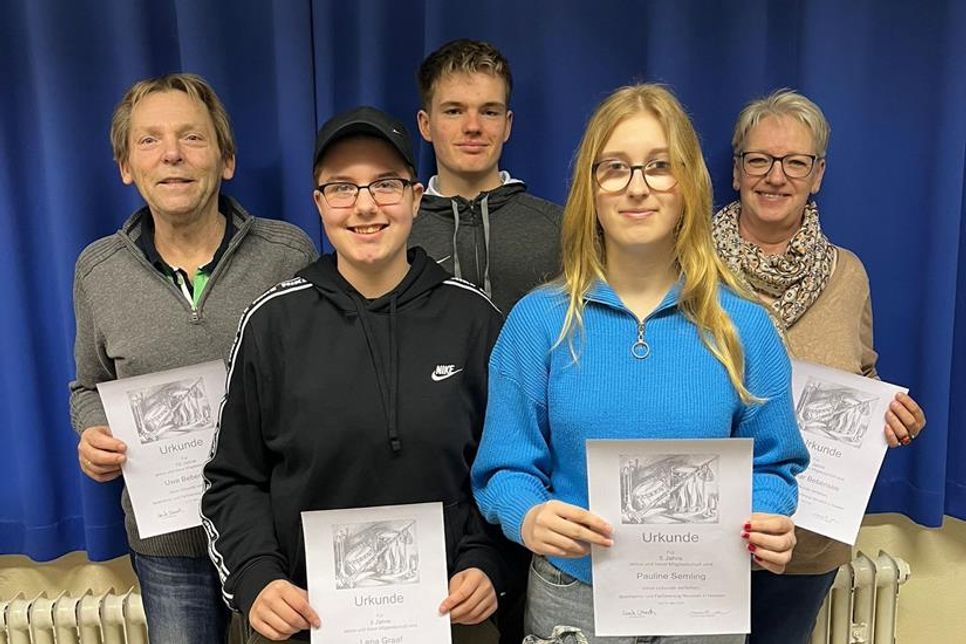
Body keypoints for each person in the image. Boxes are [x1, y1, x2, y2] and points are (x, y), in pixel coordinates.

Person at [471, 83, 811, 644]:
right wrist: (528, 515)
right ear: (591, 188)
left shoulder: (743, 328)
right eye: (615, 168)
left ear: (689, 185)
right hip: (573, 602)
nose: (637, 188)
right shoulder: (539, 322)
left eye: (659, 166)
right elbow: (503, 469)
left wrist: (766, 518)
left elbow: (775, 466)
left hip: (704, 600)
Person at [201, 106, 512, 643]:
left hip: (449, 620)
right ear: (319, 205)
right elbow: (231, 479)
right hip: (306, 623)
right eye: (342, 187)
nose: (365, 205)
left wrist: (487, 562)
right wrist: (256, 579)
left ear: (417, 199)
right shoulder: (272, 323)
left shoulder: (474, 319)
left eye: (386, 184)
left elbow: (509, 467)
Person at [69, 73, 318, 643]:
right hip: (168, 546)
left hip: (275, 538)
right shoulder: (97, 271)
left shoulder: (288, 254)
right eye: (149, 140)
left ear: (226, 160)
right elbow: (87, 386)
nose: (173, 155)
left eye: (192, 138)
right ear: (126, 166)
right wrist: (93, 434)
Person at [711, 89, 927, 644]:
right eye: (758, 159)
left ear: (818, 174)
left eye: (795, 162)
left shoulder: (848, 273)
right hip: (707, 532)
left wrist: (890, 414)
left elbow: (862, 374)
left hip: (808, 542)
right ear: (736, 172)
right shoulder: (689, 267)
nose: (775, 176)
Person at [412, 38, 562, 313]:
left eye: (489, 112)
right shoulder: (397, 233)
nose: (473, 126)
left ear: (507, 125)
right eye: (454, 111)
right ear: (426, 125)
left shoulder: (560, 231)